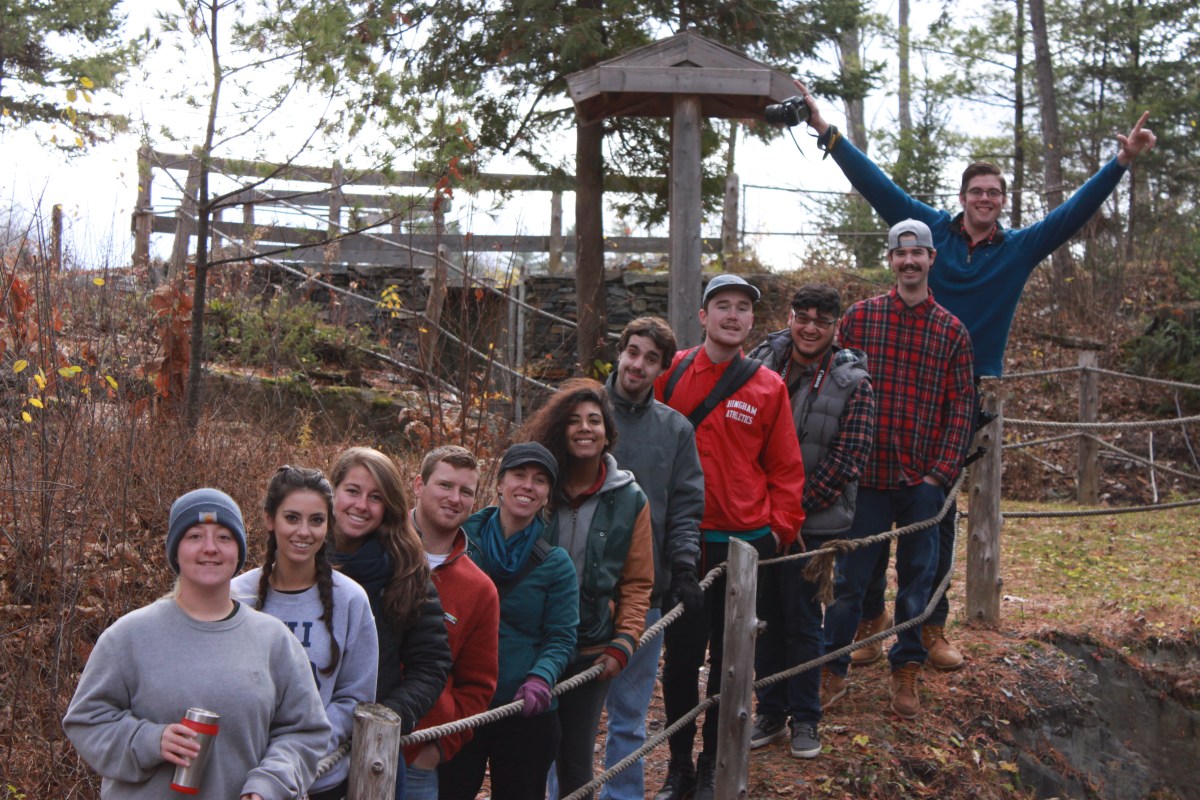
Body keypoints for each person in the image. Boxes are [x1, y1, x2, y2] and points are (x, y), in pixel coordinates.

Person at [792, 82, 1157, 670]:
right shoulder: (928, 232)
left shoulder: (1018, 249)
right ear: (961, 198)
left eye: (993, 193)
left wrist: (1120, 162)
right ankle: (867, 614)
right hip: (899, 373)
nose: (984, 199)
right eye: (975, 191)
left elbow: (1073, 214)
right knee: (873, 496)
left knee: (935, 505)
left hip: (964, 390)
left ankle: (930, 624)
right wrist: (825, 131)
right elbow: (877, 185)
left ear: (1002, 202)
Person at [64, 488, 331, 799]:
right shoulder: (128, 636)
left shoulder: (273, 640)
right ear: (175, 550)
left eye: (223, 537)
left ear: (239, 552)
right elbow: (87, 721)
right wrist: (151, 740)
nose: (210, 548)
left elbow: (305, 732)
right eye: (194, 536)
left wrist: (268, 785)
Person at [652, 274, 807, 800]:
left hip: (745, 543)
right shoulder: (670, 376)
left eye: (743, 308)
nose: (733, 315)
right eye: (723, 306)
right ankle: (677, 765)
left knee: (730, 660)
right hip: (686, 541)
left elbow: (786, 469)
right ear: (703, 315)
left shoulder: (768, 387)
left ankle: (714, 763)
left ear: (751, 321)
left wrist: (780, 532)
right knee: (681, 657)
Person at [820, 220, 975, 721]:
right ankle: (833, 667)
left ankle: (905, 666)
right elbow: (833, 389)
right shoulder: (860, 320)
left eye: (919, 253)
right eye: (901, 253)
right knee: (849, 581)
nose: (910, 261)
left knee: (917, 579)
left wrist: (941, 474)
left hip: (921, 483)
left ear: (932, 259)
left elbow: (961, 410)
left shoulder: (952, 331)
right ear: (890, 260)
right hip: (866, 478)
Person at [747, 284, 875, 758]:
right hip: (759, 516)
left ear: (835, 326)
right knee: (763, 619)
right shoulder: (761, 362)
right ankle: (769, 710)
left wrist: (792, 512)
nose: (810, 327)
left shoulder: (853, 381)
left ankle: (806, 718)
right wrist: (767, 508)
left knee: (803, 620)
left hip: (812, 524)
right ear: (790, 316)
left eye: (822, 320)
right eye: (803, 316)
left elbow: (847, 460)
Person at [523, 379, 655, 800]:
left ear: (608, 433)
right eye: (574, 420)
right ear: (560, 429)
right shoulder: (535, 487)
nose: (585, 428)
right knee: (527, 752)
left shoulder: (631, 499)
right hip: (532, 646)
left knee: (575, 758)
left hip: (591, 650)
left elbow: (637, 582)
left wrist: (625, 640)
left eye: (594, 420)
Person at [599, 317, 705, 800]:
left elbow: (685, 507)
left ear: (662, 368)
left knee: (630, 717)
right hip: (576, 589)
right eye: (633, 352)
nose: (638, 364)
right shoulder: (582, 411)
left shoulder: (675, 429)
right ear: (620, 352)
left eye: (651, 358)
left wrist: (684, 567)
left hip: (645, 590)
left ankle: (622, 796)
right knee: (567, 716)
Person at [441, 443, 579, 800]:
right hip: (460, 703)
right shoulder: (459, 540)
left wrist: (541, 677)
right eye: (519, 475)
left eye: (540, 480)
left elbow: (561, 637)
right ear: (500, 483)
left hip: (524, 710)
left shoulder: (556, 563)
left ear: (547, 494)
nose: (528, 486)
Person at [232, 467, 379, 800]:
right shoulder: (235, 595)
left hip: (319, 780)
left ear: (328, 525)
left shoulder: (350, 600)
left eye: (316, 520)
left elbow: (354, 696)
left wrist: (298, 748)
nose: (304, 531)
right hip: (242, 781)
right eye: (292, 518)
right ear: (270, 520)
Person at [328, 447, 452, 799]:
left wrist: (385, 717)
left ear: (389, 507)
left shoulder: (406, 573)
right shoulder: (297, 562)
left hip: (371, 750)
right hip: (296, 744)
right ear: (333, 492)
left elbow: (431, 664)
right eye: (352, 491)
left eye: (376, 497)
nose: (361, 505)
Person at [404, 445, 500, 800]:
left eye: (466, 491)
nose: (454, 498)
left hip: (419, 759)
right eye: (445, 485)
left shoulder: (479, 589)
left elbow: (479, 685)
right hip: (349, 746)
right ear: (418, 485)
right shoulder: (377, 550)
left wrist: (438, 747)